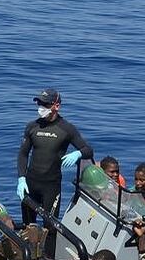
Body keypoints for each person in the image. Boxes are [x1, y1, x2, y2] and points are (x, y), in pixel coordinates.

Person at [16, 88, 94, 225]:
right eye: (39, 103)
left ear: (56, 106)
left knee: (51, 227)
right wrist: (21, 178)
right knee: (28, 226)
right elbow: (23, 154)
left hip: (51, 186)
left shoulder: (66, 128)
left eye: (45, 104)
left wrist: (78, 153)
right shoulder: (31, 127)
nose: (41, 108)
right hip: (30, 184)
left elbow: (88, 150)